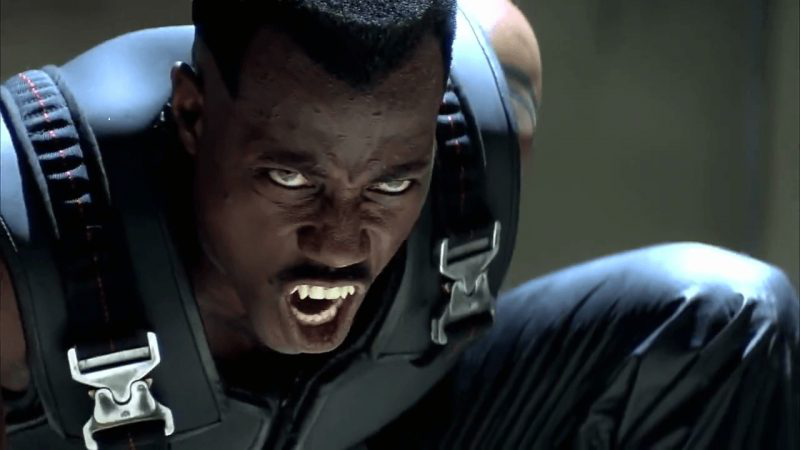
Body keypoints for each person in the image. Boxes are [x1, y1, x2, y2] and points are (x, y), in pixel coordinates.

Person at [0, 1, 796, 449]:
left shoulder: (490, 102)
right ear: (192, 114)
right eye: (291, 178)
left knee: (723, 316)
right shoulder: (19, 256)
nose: (343, 243)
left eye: (392, 182)